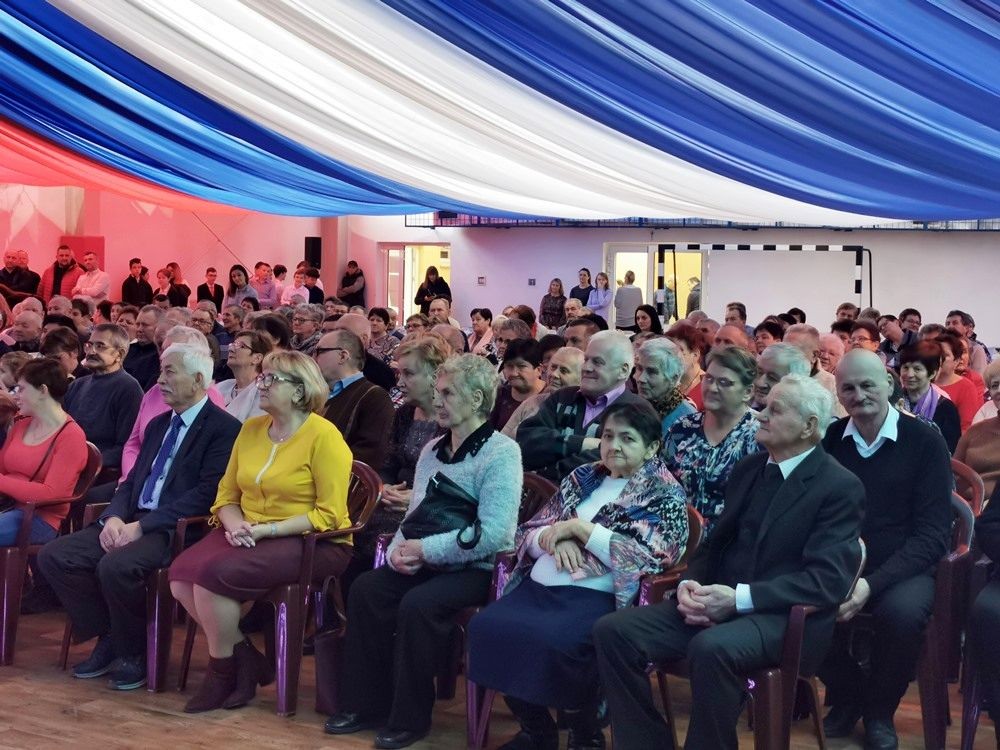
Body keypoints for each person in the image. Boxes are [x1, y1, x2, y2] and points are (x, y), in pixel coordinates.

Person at [594, 374, 864, 750]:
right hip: (720, 601)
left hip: (781, 618)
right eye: (763, 406)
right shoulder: (751, 468)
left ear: (809, 426)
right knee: (614, 632)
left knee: (711, 648)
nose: (760, 415)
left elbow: (826, 581)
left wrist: (737, 599)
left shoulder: (838, 486)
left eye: (774, 410)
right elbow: (714, 544)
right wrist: (689, 584)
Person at [325, 354, 522, 748]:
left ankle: (410, 718)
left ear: (477, 399)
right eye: (437, 392)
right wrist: (400, 550)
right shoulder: (433, 448)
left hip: (476, 567)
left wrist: (425, 550)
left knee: (419, 604)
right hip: (427, 555)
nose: (437, 401)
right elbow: (416, 514)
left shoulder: (502, 452)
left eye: (447, 393)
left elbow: (495, 533)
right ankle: (366, 704)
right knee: (367, 589)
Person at [469, 400, 688, 749]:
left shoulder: (663, 492)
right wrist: (553, 538)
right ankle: (536, 729)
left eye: (628, 439)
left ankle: (585, 733)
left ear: (651, 448)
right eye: (608, 436)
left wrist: (583, 531)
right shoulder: (583, 476)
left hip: (598, 598)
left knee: (560, 642)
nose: (614, 445)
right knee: (487, 628)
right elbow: (531, 530)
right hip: (539, 592)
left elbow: (653, 557)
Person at [38, 343, 241, 690]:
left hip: (174, 529)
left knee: (116, 566)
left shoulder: (224, 428)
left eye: (169, 372)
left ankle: (133, 652)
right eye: (161, 371)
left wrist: (142, 527)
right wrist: (114, 518)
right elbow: (132, 480)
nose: (159, 380)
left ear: (197, 380)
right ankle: (109, 635)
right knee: (56, 556)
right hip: (132, 518)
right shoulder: (160, 424)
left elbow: (206, 495)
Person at [169, 351, 353, 712]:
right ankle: (246, 659)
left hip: (313, 540)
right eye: (262, 377)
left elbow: (329, 514)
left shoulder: (324, 436)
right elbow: (226, 495)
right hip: (248, 529)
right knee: (180, 575)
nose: (261, 384)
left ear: (299, 391)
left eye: (271, 379)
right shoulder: (251, 429)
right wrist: (234, 523)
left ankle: (222, 672)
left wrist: (267, 530)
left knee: (211, 577)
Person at [819, 350, 953, 750]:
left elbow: (932, 536)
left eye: (867, 385)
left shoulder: (925, 441)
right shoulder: (831, 440)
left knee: (902, 614)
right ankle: (849, 693)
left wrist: (870, 585)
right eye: (848, 388)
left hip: (906, 565)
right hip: (842, 561)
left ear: (889, 384)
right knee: (799, 601)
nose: (858, 395)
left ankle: (879, 710)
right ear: (837, 393)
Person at [518, 331, 646, 482]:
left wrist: (549, 470)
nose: (586, 367)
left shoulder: (637, 411)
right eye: (586, 359)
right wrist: (582, 444)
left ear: (623, 370)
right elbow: (526, 443)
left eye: (597, 362)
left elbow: (611, 463)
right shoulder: (562, 398)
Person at [663, 345, 761, 537]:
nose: (712, 388)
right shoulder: (683, 428)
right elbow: (660, 482)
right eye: (708, 378)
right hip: (673, 536)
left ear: (748, 392)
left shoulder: (759, 435)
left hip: (730, 542)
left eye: (724, 382)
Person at [0, 358, 88, 546]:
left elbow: (51, 494)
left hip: (39, 519)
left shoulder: (71, 436)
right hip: (7, 505)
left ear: (42, 390)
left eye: (21, 389)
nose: (16, 396)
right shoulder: (20, 423)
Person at [63, 324, 144, 477]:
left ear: (119, 354)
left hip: (98, 472)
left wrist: (84, 461)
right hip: (66, 462)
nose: (91, 351)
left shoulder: (129, 389)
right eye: (89, 345)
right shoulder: (77, 385)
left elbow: (126, 446)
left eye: (100, 346)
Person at [315, 328, 395, 469]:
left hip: (336, 477)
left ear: (343, 356)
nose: (313, 358)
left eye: (320, 351)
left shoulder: (375, 397)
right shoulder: (317, 393)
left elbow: (369, 455)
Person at [503, 347, 584, 440]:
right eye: (553, 367)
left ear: (581, 377)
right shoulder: (532, 402)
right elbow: (502, 439)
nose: (554, 374)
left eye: (564, 370)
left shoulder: (583, 413)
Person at [898, 340, 962, 452]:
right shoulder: (893, 401)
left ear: (932, 373)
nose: (909, 374)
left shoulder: (946, 409)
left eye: (917, 369)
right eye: (906, 367)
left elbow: (950, 450)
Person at [635, 338, 697, 436]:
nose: (640, 379)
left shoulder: (688, 420)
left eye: (651, 372)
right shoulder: (632, 408)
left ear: (673, 378)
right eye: (639, 368)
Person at [216, 330, 271, 422]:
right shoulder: (221, 387)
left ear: (257, 358)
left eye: (241, 346)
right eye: (233, 344)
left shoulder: (263, 394)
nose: (231, 349)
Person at [491, 338, 545, 430]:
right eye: (509, 366)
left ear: (539, 370)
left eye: (521, 366)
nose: (514, 373)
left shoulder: (550, 398)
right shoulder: (500, 394)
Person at [333, 313, 396, 391]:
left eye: (344, 332)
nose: (335, 336)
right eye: (335, 331)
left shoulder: (381, 372)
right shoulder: (327, 360)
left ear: (363, 338)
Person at [935, 330, 981, 431]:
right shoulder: (924, 382)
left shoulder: (966, 387)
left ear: (956, 360)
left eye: (945, 355)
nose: (939, 358)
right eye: (936, 353)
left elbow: (967, 427)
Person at [751, 343, 811, 411]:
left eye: (772, 378)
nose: (760, 383)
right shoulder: (742, 405)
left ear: (796, 384)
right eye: (759, 372)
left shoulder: (803, 416)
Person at [123, 305, 165, 390]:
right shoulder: (126, 350)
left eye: (145, 325)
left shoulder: (161, 357)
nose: (139, 329)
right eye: (138, 324)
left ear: (159, 327)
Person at [946, 309, 990, 374]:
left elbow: (979, 377)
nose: (950, 326)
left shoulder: (976, 349)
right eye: (947, 324)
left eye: (955, 323)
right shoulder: (943, 348)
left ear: (966, 328)